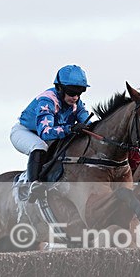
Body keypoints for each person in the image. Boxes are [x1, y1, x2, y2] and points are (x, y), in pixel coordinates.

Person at [10, 65, 92, 197]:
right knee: (39, 146)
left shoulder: (77, 103)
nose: (75, 97)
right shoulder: (47, 100)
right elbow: (45, 132)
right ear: (59, 88)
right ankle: (33, 183)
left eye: (79, 93)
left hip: (49, 135)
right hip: (26, 132)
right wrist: (70, 129)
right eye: (72, 92)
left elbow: (89, 125)